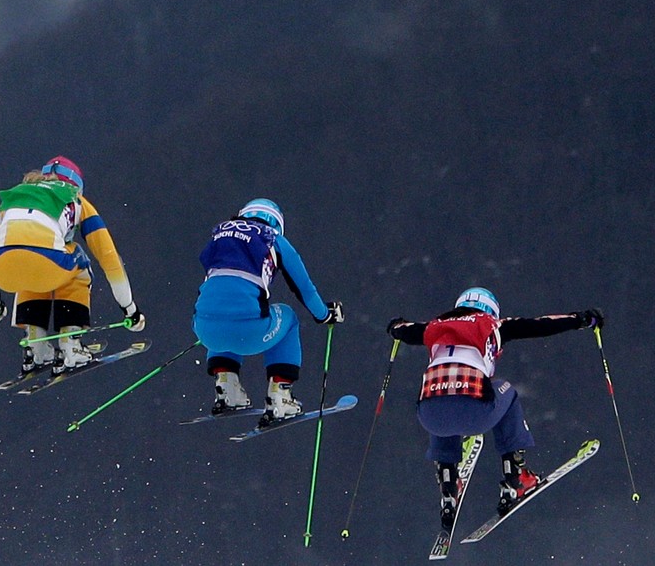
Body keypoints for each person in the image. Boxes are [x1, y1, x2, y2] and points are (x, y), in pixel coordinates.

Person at [386, 287, 604, 526]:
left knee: (441, 394)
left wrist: (395, 325)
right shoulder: (492, 324)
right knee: (506, 392)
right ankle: (516, 477)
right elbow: (541, 325)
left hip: (429, 416)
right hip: (476, 412)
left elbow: (402, 330)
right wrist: (582, 319)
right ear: (490, 310)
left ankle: (448, 484)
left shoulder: (434, 326)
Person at [0, 156, 145, 376]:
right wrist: (130, 309)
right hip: (48, 262)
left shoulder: (16, 197)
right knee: (76, 262)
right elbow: (110, 260)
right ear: (76, 186)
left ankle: (36, 344)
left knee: (30, 268)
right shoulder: (76, 200)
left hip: (1, 268)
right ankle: (70, 343)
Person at [192, 198, 343, 426]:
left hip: (204, 330)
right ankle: (280, 396)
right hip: (249, 331)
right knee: (289, 316)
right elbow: (305, 290)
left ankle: (227, 388)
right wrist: (325, 315)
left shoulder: (220, 235)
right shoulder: (274, 239)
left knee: (224, 312)